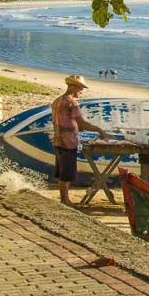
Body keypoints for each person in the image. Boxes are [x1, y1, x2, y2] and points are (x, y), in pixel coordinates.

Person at [51, 75, 106, 206]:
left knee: (62, 172)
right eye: (80, 88)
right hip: (68, 142)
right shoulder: (72, 102)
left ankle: (63, 198)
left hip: (58, 139)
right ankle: (65, 200)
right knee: (67, 173)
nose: (81, 91)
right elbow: (82, 123)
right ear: (74, 87)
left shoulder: (56, 101)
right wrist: (99, 130)